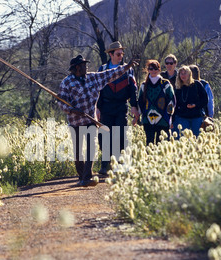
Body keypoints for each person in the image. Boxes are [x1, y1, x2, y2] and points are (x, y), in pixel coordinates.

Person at [57, 54, 139, 187]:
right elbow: (60, 101)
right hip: (75, 122)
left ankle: (87, 177)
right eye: (84, 65)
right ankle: (82, 176)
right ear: (77, 68)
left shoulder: (93, 77)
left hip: (90, 120)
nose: (86, 67)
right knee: (78, 152)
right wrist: (72, 110)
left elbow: (111, 74)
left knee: (91, 148)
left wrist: (127, 67)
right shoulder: (67, 82)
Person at [96, 41, 138, 176]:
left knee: (121, 135)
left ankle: (122, 164)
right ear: (110, 54)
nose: (121, 56)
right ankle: (105, 165)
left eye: (122, 54)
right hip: (106, 106)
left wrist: (134, 106)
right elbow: (98, 89)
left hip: (121, 106)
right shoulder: (102, 69)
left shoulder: (128, 69)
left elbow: (133, 88)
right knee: (104, 136)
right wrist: (97, 108)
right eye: (118, 54)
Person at [134, 59, 175, 145]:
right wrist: (139, 115)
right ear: (148, 70)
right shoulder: (144, 85)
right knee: (149, 144)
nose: (153, 71)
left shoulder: (165, 84)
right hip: (147, 120)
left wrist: (169, 116)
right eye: (151, 69)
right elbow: (140, 102)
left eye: (155, 69)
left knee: (161, 145)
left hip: (163, 119)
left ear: (159, 70)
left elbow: (171, 100)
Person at [172, 65, 209, 137]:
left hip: (197, 117)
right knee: (183, 139)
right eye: (181, 74)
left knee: (197, 138)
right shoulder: (178, 88)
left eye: (185, 73)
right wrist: (172, 119)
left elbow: (205, 100)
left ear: (189, 74)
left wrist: (195, 105)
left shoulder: (197, 84)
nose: (183, 75)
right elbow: (175, 104)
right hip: (182, 118)